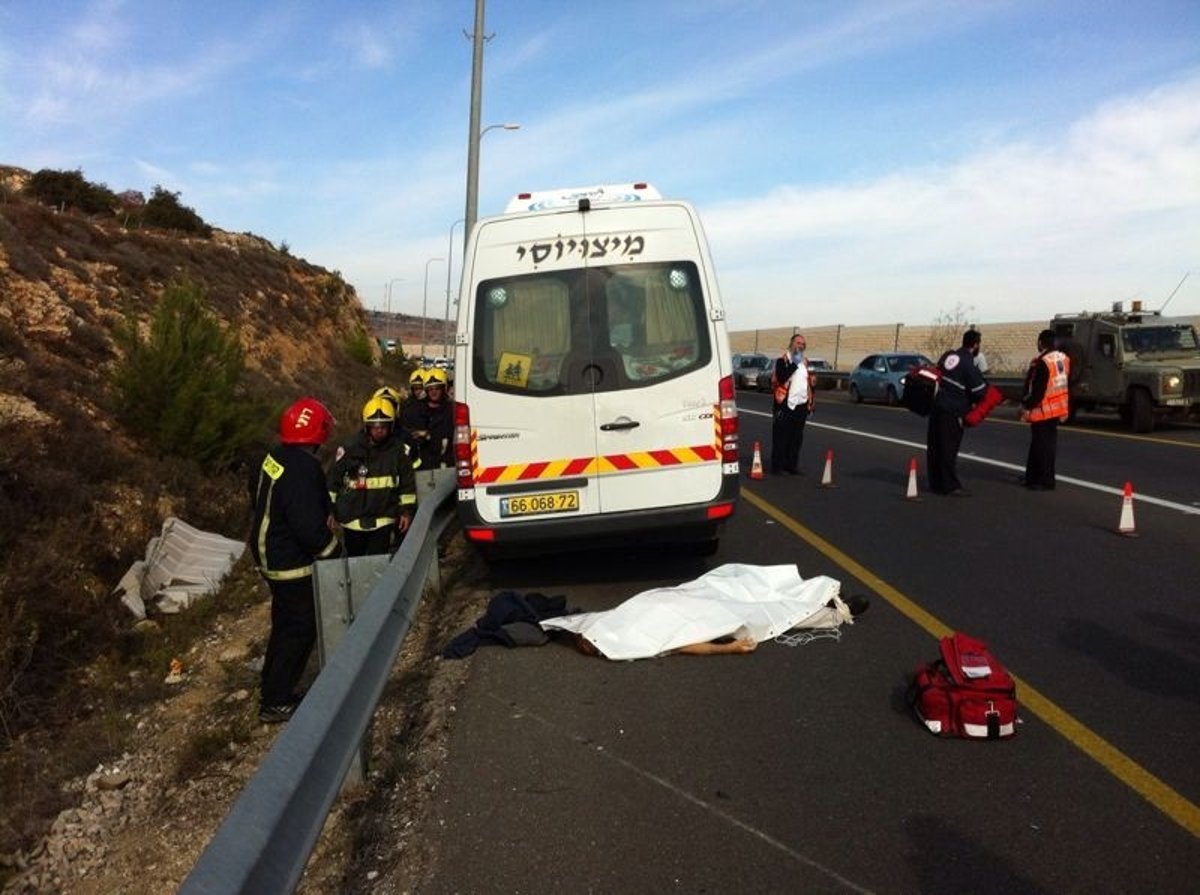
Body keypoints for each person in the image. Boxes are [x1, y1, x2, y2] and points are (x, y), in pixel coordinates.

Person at [248, 397, 340, 723]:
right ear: (319, 432)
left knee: (284, 624)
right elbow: (307, 526)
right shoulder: (304, 468)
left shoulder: (275, 457)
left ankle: (273, 689)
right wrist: (333, 552)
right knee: (300, 628)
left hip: (268, 553)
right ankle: (276, 700)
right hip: (289, 562)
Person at [327, 396, 418, 555]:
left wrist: (406, 511)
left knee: (378, 564)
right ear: (366, 426)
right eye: (374, 425)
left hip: (383, 519)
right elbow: (333, 481)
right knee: (355, 562)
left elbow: (407, 485)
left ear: (391, 426)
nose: (379, 429)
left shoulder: (399, 451)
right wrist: (331, 510)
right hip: (353, 520)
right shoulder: (349, 448)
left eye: (383, 425)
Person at [926, 330, 987, 495]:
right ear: (975, 345)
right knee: (948, 448)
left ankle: (935, 482)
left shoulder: (948, 356)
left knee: (935, 446)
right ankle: (949, 485)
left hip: (937, 406)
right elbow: (980, 392)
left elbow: (938, 372)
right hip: (953, 411)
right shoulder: (969, 364)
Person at [1019, 329, 1070, 490]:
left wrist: (1026, 406)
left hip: (1044, 409)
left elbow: (1037, 390)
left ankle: (1043, 480)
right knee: (1045, 445)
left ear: (1041, 342)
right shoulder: (1063, 358)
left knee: (1041, 446)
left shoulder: (1042, 362)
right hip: (1057, 408)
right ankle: (1033, 477)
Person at [769, 333, 815, 475]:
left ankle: (791, 465)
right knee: (781, 436)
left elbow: (810, 383)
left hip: (801, 405)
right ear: (791, 344)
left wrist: (811, 403)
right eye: (797, 343)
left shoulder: (805, 362)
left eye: (802, 344)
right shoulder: (782, 361)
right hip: (785, 404)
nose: (800, 346)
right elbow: (782, 378)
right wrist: (794, 363)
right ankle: (777, 466)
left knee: (796, 438)